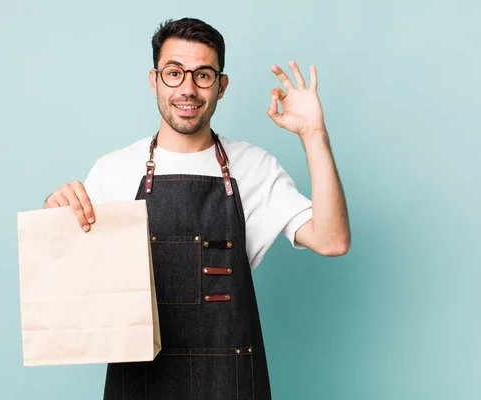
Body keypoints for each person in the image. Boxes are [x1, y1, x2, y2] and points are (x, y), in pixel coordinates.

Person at [44, 17, 350, 400]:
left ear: (221, 86)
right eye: (174, 73)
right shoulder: (113, 170)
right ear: (154, 80)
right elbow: (70, 279)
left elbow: (333, 240)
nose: (187, 89)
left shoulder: (255, 167)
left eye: (203, 75)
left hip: (232, 381)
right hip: (139, 383)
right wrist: (56, 215)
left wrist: (313, 134)